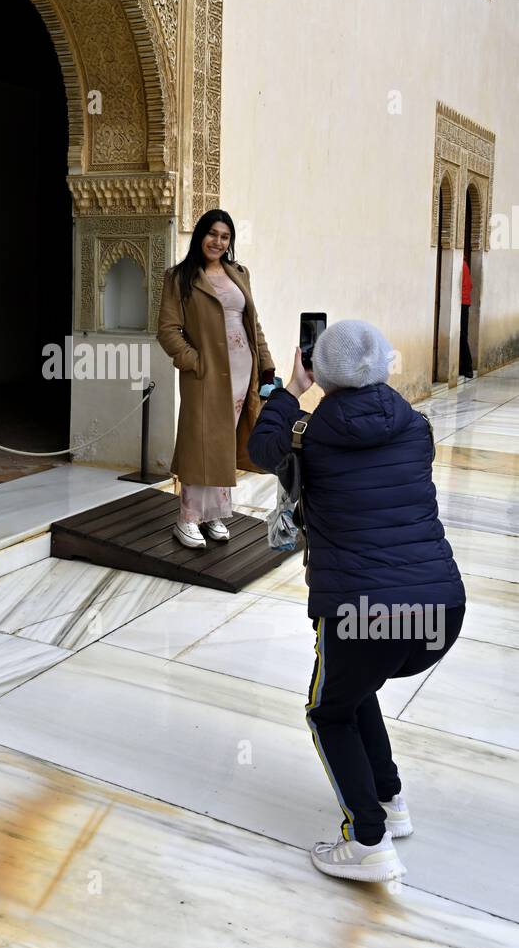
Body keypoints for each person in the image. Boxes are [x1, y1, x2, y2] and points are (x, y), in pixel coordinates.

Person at [247, 320, 466, 884]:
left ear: (321, 371)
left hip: (362, 615)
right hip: (439, 610)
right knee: (354, 689)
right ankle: (390, 800)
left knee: (328, 711)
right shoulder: (417, 427)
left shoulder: (308, 433)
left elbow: (258, 449)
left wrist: (291, 391)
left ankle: (368, 839)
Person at [157, 209, 276, 548]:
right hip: (205, 376)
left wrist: (266, 364)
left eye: (225, 237)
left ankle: (215, 514)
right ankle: (188, 518)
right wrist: (195, 361)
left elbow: (253, 324)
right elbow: (167, 330)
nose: (218, 242)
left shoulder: (239, 273)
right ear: (200, 236)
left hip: (242, 374)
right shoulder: (179, 277)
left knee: (223, 442)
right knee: (200, 443)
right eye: (212, 234)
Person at [460, 257, 474, 379]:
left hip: (462, 303)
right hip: (465, 302)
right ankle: (464, 366)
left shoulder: (461, 265)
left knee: (462, 335)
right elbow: (470, 285)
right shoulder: (464, 264)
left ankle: (468, 368)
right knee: (463, 335)